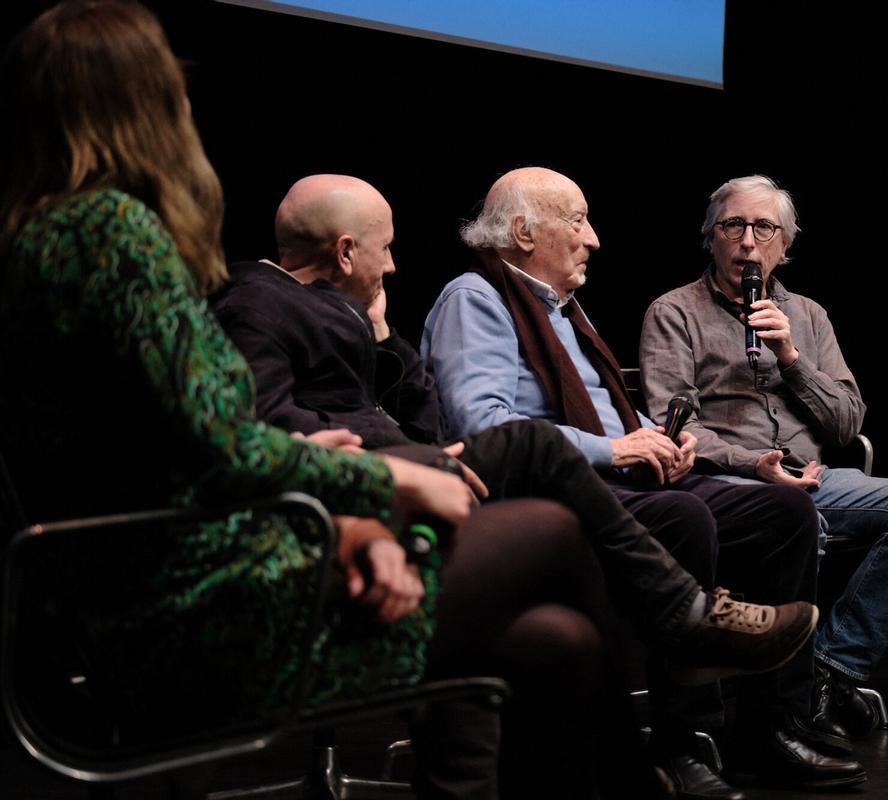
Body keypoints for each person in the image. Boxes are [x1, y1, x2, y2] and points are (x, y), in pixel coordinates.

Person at [0, 5, 646, 797]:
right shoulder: (112, 233)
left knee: (557, 642)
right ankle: (651, 743)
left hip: (164, 583)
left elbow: (167, 443)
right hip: (204, 610)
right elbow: (222, 447)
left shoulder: (40, 237)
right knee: (550, 528)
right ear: (144, 104)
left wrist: (329, 485)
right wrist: (382, 485)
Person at [210, 174, 818, 677]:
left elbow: (422, 422)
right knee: (574, 466)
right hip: (383, 487)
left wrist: (383, 336)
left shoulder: (350, 314)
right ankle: (680, 675)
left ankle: (761, 708)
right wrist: (373, 460)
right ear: (345, 251)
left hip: (425, 467)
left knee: (781, 513)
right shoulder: (260, 302)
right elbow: (264, 418)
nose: (395, 265)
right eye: (386, 248)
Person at [423, 167, 866, 797]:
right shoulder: (477, 298)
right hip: (549, 494)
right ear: (523, 231)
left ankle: (772, 727)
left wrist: (664, 439)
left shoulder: (562, 311)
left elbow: (616, 417)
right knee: (686, 518)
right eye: (577, 220)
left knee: (781, 513)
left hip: (623, 475)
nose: (595, 238)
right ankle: (683, 740)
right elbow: (487, 427)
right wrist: (617, 446)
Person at [639, 174, 888, 752]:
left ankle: (830, 672)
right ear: (710, 238)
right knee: (798, 519)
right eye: (733, 225)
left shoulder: (807, 314)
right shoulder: (673, 311)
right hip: (728, 483)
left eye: (765, 228)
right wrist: (752, 461)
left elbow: (846, 423)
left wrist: (790, 356)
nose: (748, 242)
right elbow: (671, 423)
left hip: (818, 478)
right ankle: (780, 709)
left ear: (786, 244)